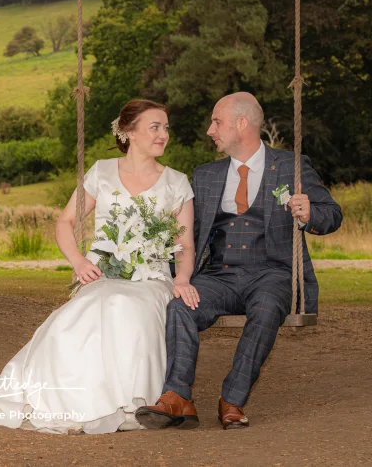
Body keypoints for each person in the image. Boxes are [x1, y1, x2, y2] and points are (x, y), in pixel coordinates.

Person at [0, 99, 198, 433]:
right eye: (155, 127)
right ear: (128, 131)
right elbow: (65, 222)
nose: (163, 134)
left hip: (151, 279)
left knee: (124, 305)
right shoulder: (102, 172)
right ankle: (69, 395)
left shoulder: (176, 182)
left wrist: (181, 279)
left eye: (166, 127)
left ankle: (129, 400)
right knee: (86, 309)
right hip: (105, 274)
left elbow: (186, 244)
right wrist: (79, 263)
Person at [135, 92, 343, 431]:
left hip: (271, 272)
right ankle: (177, 396)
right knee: (180, 307)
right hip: (218, 275)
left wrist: (310, 214)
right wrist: (173, 274)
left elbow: (332, 215)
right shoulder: (206, 174)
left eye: (216, 122)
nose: (209, 130)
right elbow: (186, 233)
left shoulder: (290, 166)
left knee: (266, 308)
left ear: (241, 124)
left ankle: (232, 399)